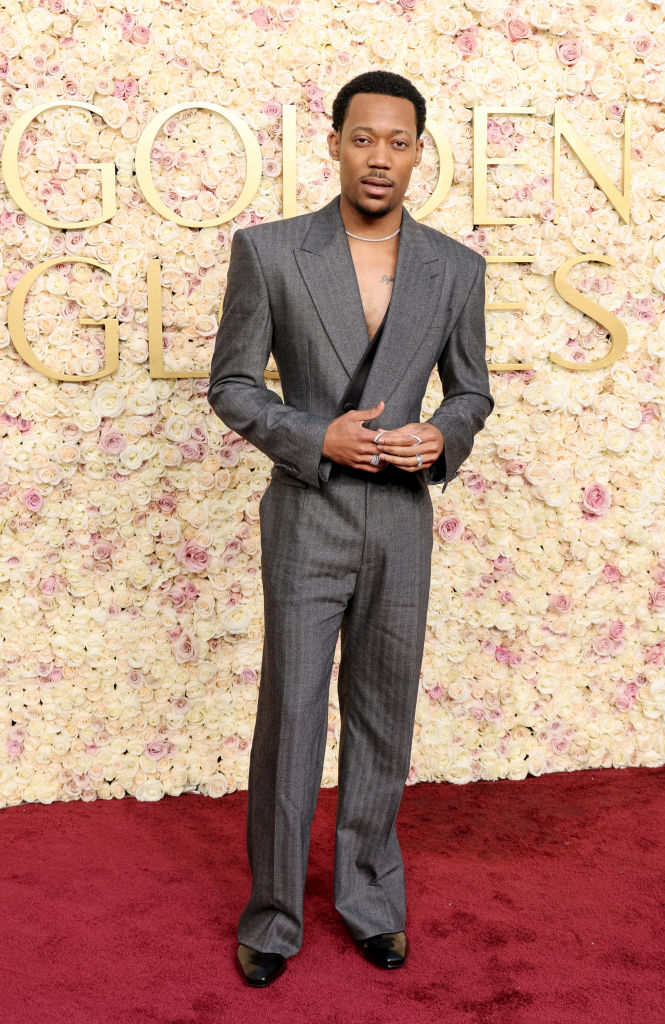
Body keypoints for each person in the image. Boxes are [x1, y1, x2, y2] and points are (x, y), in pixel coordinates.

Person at [207, 70, 494, 987]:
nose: (380, 157)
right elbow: (233, 384)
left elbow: (472, 391)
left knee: (383, 715)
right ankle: (274, 915)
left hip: (404, 521)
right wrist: (310, 434)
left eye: (398, 141)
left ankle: (372, 902)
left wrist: (438, 436)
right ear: (333, 143)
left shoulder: (456, 266)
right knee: (291, 713)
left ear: (418, 152)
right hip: (307, 513)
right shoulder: (271, 251)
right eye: (362, 138)